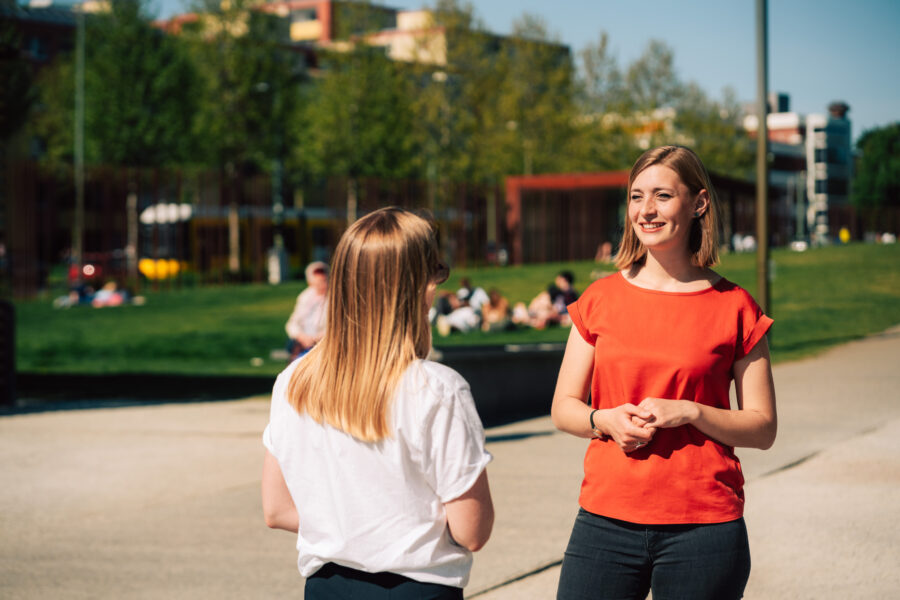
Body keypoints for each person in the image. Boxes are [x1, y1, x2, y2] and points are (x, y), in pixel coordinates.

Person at [551, 146, 777, 600]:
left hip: (704, 527)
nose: (646, 210)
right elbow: (564, 408)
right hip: (605, 522)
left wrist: (691, 411)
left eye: (661, 196)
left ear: (698, 203)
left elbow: (763, 427)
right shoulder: (599, 298)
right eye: (636, 197)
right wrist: (604, 421)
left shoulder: (735, 306)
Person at [262, 207, 494, 599]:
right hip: (416, 588)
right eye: (434, 273)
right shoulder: (437, 389)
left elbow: (277, 509)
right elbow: (472, 530)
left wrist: (348, 526)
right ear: (415, 287)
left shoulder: (292, 383)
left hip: (326, 588)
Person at [284, 261, 328, 360]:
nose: (322, 285)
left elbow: (335, 325)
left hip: (322, 339)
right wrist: (302, 337)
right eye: (318, 282)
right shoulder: (305, 297)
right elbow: (292, 324)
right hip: (304, 339)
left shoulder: (334, 298)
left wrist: (317, 338)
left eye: (324, 281)